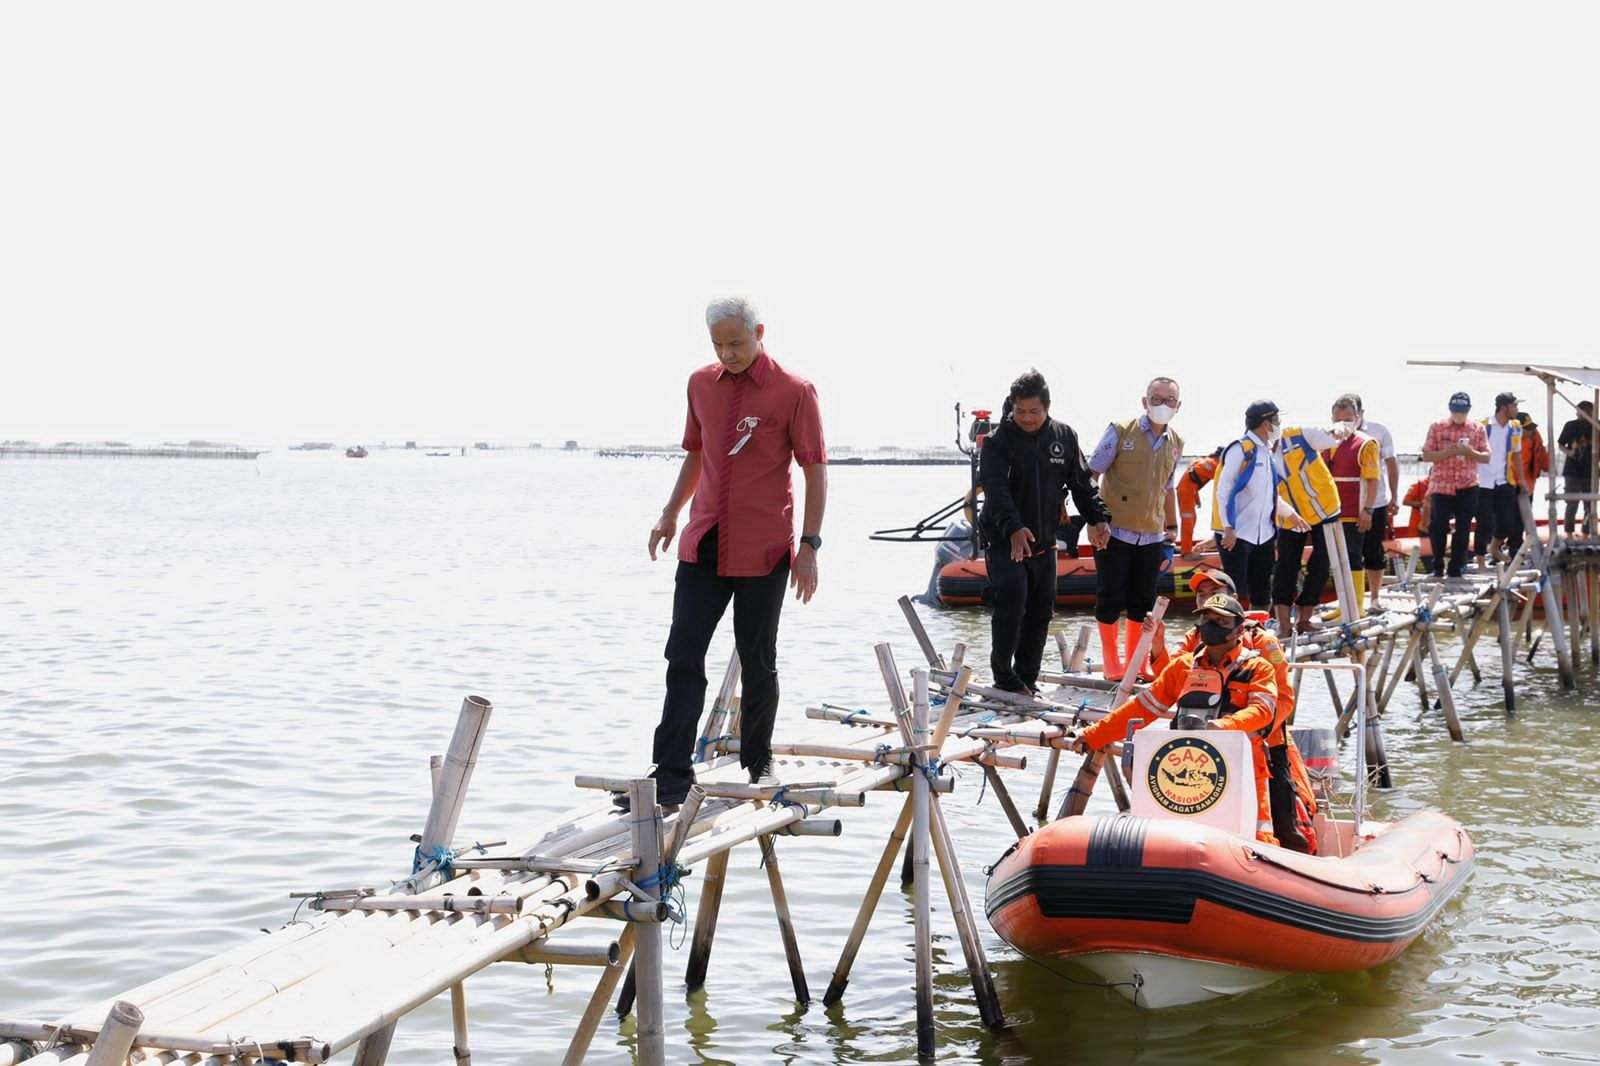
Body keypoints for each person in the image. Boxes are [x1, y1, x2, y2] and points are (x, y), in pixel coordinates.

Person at [636, 296, 828, 808]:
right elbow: (696, 454)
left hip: (764, 548)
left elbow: (814, 470)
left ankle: (757, 759)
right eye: (718, 345)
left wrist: (809, 545)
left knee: (757, 657)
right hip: (704, 542)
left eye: (736, 343)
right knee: (683, 654)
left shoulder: (795, 391)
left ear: (759, 332)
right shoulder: (699, 384)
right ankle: (670, 772)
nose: (728, 354)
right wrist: (670, 513)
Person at [1074, 593, 1281, 846]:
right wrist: (1094, 735)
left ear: (1238, 629)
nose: (1210, 625)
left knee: (1259, 837)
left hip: (1244, 767)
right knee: (1170, 837)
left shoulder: (1257, 668)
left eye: (1220, 621)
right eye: (1206, 618)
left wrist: (1225, 727)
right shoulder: (1183, 666)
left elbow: (1263, 710)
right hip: (1188, 767)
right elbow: (1142, 708)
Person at [979, 369, 1111, 693]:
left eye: (1034, 411)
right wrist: (1013, 528)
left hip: (1044, 538)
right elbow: (996, 492)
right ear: (1011, 407)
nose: (1026, 418)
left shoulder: (1063, 437)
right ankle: (1003, 675)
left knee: (1041, 609)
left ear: (1047, 407)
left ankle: (1027, 676)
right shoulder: (997, 442)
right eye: (1020, 411)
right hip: (1005, 537)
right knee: (1012, 600)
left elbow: (1081, 484)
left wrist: (1098, 518)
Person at [1173, 567, 1318, 853]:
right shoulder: (1194, 638)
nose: (1206, 601)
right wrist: (1154, 644)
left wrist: (1255, 735)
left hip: (1263, 743)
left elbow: (1284, 699)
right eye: (1201, 595)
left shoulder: (1264, 643)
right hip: (1204, 746)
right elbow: (1168, 676)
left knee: (1282, 823)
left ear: (1233, 599)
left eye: (1214, 593)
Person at [1088, 377, 1185, 681]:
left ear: (1178, 406)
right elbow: (1091, 474)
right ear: (1145, 401)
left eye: (1170, 400)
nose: (1162, 405)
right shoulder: (1120, 431)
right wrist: (1093, 520)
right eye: (1156, 398)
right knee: (1110, 596)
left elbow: (1168, 489)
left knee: (1142, 600)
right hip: (1114, 531)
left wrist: (1172, 530)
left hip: (1152, 535)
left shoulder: (1176, 443)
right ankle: (1111, 664)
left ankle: (1136, 661)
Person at [1213, 401, 1299, 611]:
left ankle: (1259, 634)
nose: (1279, 425)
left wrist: (1291, 514)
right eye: (1276, 420)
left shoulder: (1266, 452)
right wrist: (1228, 528)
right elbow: (1223, 491)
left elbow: (1269, 495)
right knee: (1237, 591)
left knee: (1262, 592)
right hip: (1237, 533)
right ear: (1266, 423)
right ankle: (1236, 637)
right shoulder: (1240, 449)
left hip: (1264, 533)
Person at [1268, 422, 1345, 634]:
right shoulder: (1257, 454)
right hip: (1289, 518)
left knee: (1321, 564)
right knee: (1286, 567)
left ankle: (1304, 618)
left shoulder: (1300, 435)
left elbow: (1332, 435)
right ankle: (1284, 625)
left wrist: (1339, 428)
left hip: (1324, 509)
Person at [1420, 391, 1489, 578]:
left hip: (1468, 484)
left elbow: (1486, 457)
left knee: (1464, 527)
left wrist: (1469, 451)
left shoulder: (1478, 428)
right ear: (1450, 409)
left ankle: (1457, 565)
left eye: (1463, 412)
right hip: (1442, 484)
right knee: (1438, 525)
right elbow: (1427, 454)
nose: (1459, 415)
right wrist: (1448, 452)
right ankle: (1438, 563)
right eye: (1456, 411)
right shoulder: (1437, 427)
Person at [1341, 395, 1400, 612]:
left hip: (1376, 500)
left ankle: (1375, 598)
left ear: (1360, 414)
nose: (1345, 423)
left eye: (1350, 417)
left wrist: (1395, 496)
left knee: (1374, 550)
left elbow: (1392, 464)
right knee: (1350, 553)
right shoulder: (1334, 434)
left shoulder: (1378, 431)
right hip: (1347, 504)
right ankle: (1349, 602)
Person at [1325, 396, 1383, 610]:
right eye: (1339, 419)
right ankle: (1343, 605)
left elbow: (1372, 480)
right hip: (1330, 512)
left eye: (1349, 419)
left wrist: (1367, 510)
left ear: (1358, 418)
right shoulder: (1326, 440)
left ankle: (1355, 606)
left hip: (1354, 511)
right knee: (1336, 559)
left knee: (1352, 556)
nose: (1343, 424)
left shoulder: (1366, 443)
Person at [1472, 392, 1525, 566]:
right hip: (1483, 481)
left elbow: (1516, 454)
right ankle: (1480, 558)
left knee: (1508, 523)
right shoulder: (1483, 425)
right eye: (1514, 405)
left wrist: (1521, 480)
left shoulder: (1516, 426)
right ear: (1504, 407)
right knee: (1484, 523)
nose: (1517, 409)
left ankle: (1494, 548)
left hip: (1504, 480)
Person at [1558, 401, 1596, 535]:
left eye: (1584, 411)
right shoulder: (1570, 425)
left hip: (1591, 471)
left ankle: (1586, 533)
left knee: (1589, 505)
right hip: (1572, 470)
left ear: (1591, 412)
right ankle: (1569, 533)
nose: (1579, 414)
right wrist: (1570, 453)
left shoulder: (1597, 425)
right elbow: (1561, 443)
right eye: (1579, 411)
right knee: (1571, 503)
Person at [1177, 447, 1224, 555]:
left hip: (1187, 491)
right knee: (1188, 521)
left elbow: (1193, 477)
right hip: (1187, 492)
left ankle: (1186, 547)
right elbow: (1224, 483)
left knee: (1191, 520)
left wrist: (1196, 496)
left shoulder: (1203, 461)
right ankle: (1187, 552)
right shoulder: (1215, 465)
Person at [1517, 412, 1550, 492]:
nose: (1530, 431)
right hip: (1510, 486)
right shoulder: (1506, 439)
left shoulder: (1535, 439)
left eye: (1530, 428)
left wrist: (1548, 466)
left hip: (1528, 486)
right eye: (1527, 428)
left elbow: (1542, 456)